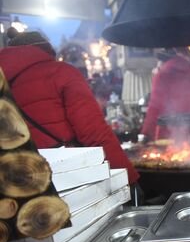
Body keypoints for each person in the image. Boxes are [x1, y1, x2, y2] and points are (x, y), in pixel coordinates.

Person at [0, 28, 139, 185]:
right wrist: (128, 179)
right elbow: (94, 132)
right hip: (64, 176)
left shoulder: (3, 81)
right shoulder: (62, 73)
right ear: (46, 48)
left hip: (15, 179)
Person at [141, 47, 190, 140]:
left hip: (167, 135)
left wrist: (146, 134)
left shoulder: (162, 76)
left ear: (164, 62)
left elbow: (154, 107)